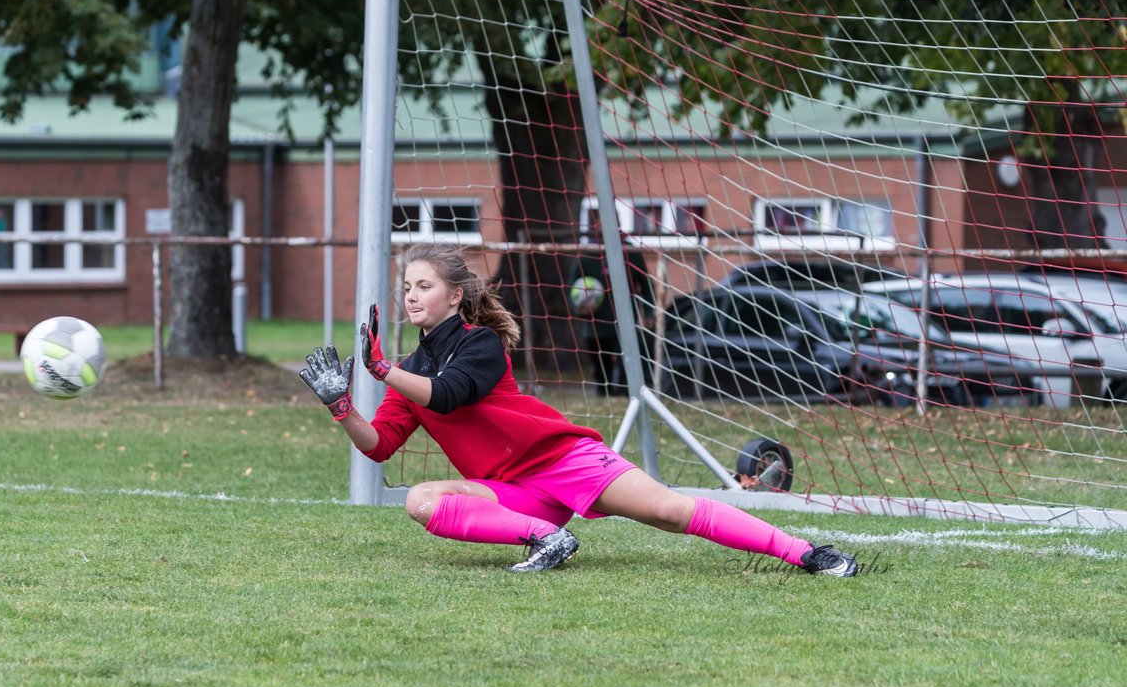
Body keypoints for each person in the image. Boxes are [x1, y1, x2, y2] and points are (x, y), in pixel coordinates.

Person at [298, 242, 858, 576]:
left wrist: (380, 372)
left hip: (563, 460)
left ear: (454, 296)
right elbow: (380, 446)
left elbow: (448, 394)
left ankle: (807, 553)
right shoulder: (406, 372)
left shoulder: (480, 343)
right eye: (406, 287)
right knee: (421, 501)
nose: (412, 296)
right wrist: (342, 406)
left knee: (668, 511)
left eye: (423, 286)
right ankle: (547, 538)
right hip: (514, 493)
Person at [568, 228, 655, 396]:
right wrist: (579, 308)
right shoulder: (587, 255)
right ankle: (604, 393)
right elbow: (572, 287)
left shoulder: (631, 253)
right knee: (601, 364)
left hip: (625, 321)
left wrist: (650, 312)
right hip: (595, 323)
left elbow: (646, 285)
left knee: (627, 360)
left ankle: (626, 394)